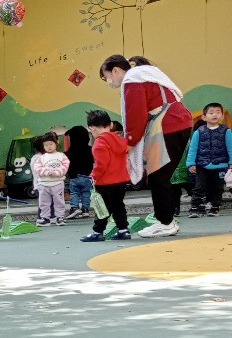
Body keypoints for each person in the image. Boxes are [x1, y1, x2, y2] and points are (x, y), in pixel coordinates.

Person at [99, 53, 193, 238]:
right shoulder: (147, 74)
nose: (108, 82)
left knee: (157, 177)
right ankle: (167, 220)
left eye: (106, 77)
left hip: (166, 124)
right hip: (181, 121)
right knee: (162, 176)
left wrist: (130, 141)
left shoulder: (132, 79)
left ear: (115, 70)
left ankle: (165, 223)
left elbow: (136, 114)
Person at [80, 109, 132, 243]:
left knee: (102, 208)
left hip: (105, 182)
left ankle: (97, 232)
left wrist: (93, 176)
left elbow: (101, 164)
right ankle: (123, 230)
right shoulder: (120, 140)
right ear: (111, 124)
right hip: (121, 180)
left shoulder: (99, 143)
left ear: (91, 128)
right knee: (118, 206)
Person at [185, 102, 232, 218]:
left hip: (220, 165)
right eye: (211, 113)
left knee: (217, 188)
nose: (214, 115)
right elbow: (192, 149)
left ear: (222, 116)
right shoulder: (198, 132)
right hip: (202, 165)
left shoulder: (227, 131)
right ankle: (196, 207)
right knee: (199, 187)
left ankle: (215, 207)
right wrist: (190, 163)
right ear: (204, 117)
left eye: (218, 112)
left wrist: (231, 163)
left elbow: (231, 148)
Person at [31, 132, 69, 225]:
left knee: (59, 201)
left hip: (58, 183)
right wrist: (47, 172)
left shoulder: (61, 156)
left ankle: (60, 217)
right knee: (44, 202)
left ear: (56, 143)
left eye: (51, 144)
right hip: (44, 184)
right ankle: (45, 218)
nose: (48, 147)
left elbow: (65, 165)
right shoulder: (41, 158)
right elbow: (37, 168)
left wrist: (57, 173)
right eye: (46, 145)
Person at [64, 124, 94, 220]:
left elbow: (66, 165)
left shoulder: (69, 152)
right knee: (86, 193)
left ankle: (74, 208)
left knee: (74, 193)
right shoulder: (90, 150)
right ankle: (85, 210)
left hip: (74, 177)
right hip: (87, 177)